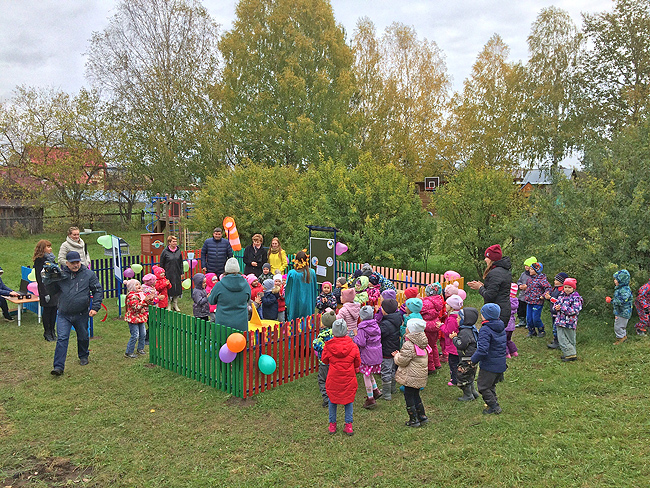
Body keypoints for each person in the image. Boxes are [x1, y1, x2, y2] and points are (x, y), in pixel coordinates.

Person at [47, 251, 103, 376]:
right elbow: (52, 292)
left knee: (83, 336)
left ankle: (83, 355)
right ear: (67, 263)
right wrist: (49, 281)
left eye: (77, 262)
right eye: (72, 263)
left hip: (81, 313)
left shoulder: (88, 274)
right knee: (62, 338)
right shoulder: (60, 275)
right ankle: (58, 367)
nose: (75, 265)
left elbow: (97, 290)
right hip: (63, 314)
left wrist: (95, 307)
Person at [321, 319, 361, 436]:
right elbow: (357, 362)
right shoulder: (353, 346)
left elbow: (324, 360)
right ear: (346, 331)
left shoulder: (329, 346)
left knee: (332, 400)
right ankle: (348, 425)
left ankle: (332, 425)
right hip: (349, 378)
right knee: (348, 401)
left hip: (333, 378)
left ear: (333, 331)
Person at [393, 311, 430, 428]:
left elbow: (402, 361)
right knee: (416, 395)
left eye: (407, 327)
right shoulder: (421, 341)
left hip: (411, 376)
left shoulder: (409, 345)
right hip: (419, 375)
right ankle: (422, 416)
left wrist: (396, 356)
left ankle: (413, 419)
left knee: (409, 396)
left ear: (411, 330)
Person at [470, 303, 507, 415]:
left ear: (485, 316)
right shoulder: (500, 326)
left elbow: (482, 350)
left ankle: (494, 406)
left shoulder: (485, 330)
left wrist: (473, 360)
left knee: (483, 386)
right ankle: (492, 401)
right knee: (491, 385)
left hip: (489, 364)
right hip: (500, 362)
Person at [467, 244, 512, 328]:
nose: (485, 260)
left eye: (487, 257)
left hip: (496, 313)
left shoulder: (495, 273)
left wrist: (480, 288)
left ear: (492, 259)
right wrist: (483, 286)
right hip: (503, 309)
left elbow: (489, 296)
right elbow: (498, 289)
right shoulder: (504, 271)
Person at [208, 257, 251, 331]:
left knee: (223, 342)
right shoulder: (246, 285)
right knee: (240, 342)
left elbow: (211, 301)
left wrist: (209, 295)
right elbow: (247, 299)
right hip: (241, 323)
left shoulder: (219, 285)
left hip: (223, 323)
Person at [353, 305, 383, 409]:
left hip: (367, 355)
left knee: (366, 376)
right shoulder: (376, 325)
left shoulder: (362, 328)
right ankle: (376, 390)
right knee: (369, 373)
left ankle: (370, 399)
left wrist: (356, 336)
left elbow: (361, 343)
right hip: (377, 353)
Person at [450, 307, 480, 401]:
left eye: (459, 318)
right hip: (473, 358)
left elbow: (461, 345)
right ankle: (473, 392)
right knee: (470, 376)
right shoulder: (472, 329)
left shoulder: (465, 332)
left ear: (465, 320)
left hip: (466, 359)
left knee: (461, 377)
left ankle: (468, 395)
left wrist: (454, 338)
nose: (457, 319)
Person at [33, 240, 60, 340]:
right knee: (47, 310)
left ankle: (53, 330)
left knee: (54, 310)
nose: (50, 248)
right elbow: (40, 278)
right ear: (42, 249)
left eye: (50, 246)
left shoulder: (51, 259)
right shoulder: (39, 260)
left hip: (54, 288)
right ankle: (47, 332)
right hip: (45, 289)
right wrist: (45, 293)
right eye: (48, 247)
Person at [553, 278, 583, 362]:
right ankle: (568, 353)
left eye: (569, 287)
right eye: (565, 287)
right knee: (561, 338)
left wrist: (562, 308)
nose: (567, 289)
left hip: (569, 322)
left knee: (570, 338)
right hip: (560, 321)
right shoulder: (561, 295)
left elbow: (575, 310)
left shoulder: (576, 298)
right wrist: (556, 307)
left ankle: (571, 354)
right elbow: (556, 303)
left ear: (573, 288)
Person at [312, 310, 337, 407]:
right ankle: (335, 395)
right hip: (335, 361)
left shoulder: (322, 336)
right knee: (334, 379)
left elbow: (317, 346)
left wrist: (315, 342)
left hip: (325, 362)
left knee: (323, 379)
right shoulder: (337, 333)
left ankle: (327, 399)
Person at [285, 250, 318, 322]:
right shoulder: (312, 272)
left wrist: (287, 301)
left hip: (295, 302)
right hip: (308, 301)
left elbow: (288, 289)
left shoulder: (292, 273)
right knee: (307, 320)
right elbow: (315, 288)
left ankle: (294, 332)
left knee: (295, 320)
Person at [378, 298, 401, 400]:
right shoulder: (396, 318)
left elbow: (380, 334)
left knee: (386, 371)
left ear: (385, 310)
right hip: (394, 348)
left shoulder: (386, 323)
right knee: (392, 369)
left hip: (386, 350)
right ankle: (392, 388)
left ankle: (386, 394)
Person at [123, 279, 153, 358]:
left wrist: (150, 298)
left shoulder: (141, 294)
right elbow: (136, 307)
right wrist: (145, 301)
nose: (139, 286)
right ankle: (129, 352)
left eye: (139, 284)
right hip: (133, 318)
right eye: (136, 285)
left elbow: (147, 304)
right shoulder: (131, 296)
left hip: (140, 317)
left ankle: (140, 349)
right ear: (132, 287)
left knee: (143, 334)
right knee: (135, 335)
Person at [522, 262, 552, 338]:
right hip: (529, 301)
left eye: (532, 269)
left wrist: (543, 296)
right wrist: (525, 288)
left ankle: (541, 330)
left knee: (535, 318)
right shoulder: (529, 279)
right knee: (529, 318)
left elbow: (548, 288)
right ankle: (531, 331)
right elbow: (528, 287)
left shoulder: (542, 280)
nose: (530, 270)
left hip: (537, 302)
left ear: (537, 270)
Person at [440, 294, 463, 386]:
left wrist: (441, 326)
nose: (445, 305)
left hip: (453, 346)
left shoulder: (452, 319)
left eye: (447, 304)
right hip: (455, 345)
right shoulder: (457, 316)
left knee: (453, 363)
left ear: (452, 307)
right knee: (456, 362)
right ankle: (457, 377)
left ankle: (455, 379)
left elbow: (449, 332)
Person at [159, 235, 183, 312]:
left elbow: (181, 263)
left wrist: (181, 272)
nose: (175, 243)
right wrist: (162, 273)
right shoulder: (165, 252)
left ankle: (175, 304)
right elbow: (162, 263)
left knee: (177, 289)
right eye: (173, 241)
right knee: (169, 288)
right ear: (169, 242)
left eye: (176, 241)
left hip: (177, 273)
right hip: (168, 273)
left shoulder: (178, 251)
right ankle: (168, 304)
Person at [545, 272, 568, 349]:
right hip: (553, 311)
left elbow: (558, 301)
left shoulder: (562, 291)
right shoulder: (555, 289)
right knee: (554, 326)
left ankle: (557, 342)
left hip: (558, 313)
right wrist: (548, 296)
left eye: (556, 280)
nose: (554, 281)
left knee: (556, 328)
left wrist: (550, 298)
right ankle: (556, 340)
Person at [611, 269, 633, 345]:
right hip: (621, 311)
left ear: (622, 280)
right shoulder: (621, 288)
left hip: (623, 312)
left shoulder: (625, 290)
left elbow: (621, 301)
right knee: (621, 325)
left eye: (616, 279)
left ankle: (620, 338)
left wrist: (611, 300)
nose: (615, 281)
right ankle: (623, 337)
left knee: (618, 326)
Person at [516, 257, 536, 327]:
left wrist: (527, 287)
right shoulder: (523, 274)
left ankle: (529, 322)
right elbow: (519, 281)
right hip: (522, 296)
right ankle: (522, 321)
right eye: (525, 265)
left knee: (528, 310)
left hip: (530, 297)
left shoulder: (535, 276)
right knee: (520, 309)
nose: (526, 267)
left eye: (528, 265)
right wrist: (520, 286)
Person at [506, 283, 519, 358]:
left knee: (503, 340)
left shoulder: (507, 301)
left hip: (507, 323)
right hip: (512, 324)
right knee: (508, 339)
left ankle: (506, 353)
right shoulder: (515, 300)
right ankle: (514, 351)